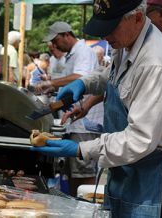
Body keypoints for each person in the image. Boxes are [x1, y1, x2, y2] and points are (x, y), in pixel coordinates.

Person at [32, 0, 162, 218]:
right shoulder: (128, 42)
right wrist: (84, 83)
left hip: (157, 173)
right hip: (130, 166)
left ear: (138, 18)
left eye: (111, 26)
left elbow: (140, 139)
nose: (106, 35)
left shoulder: (155, 64)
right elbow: (112, 74)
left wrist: (81, 149)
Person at [35, 21, 102, 196]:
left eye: (56, 40)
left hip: (86, 123)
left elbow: (82, 77)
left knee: (84, 173)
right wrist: (55, 90)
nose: (54, 45)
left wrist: (51, 82)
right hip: (76, 120)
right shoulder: (71, 55)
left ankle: (85, 210)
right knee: (74, 172)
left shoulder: (83, 51)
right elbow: (73, 86)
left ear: (66, 35)